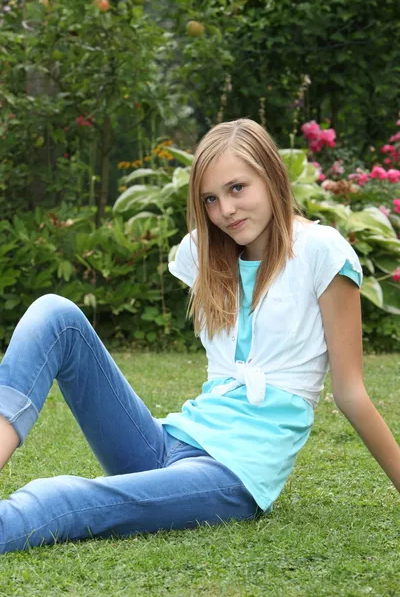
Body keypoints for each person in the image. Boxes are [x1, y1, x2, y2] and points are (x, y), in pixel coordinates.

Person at [0, 118, 399, 555]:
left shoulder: (322, 253)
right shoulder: (206, 253)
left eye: (237, 188)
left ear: (271, 176)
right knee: (55, 314)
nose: (225, 210)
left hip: (233, 473)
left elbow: (350, 393)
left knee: (63, 498)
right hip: (170, 442)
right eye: (211, 198)